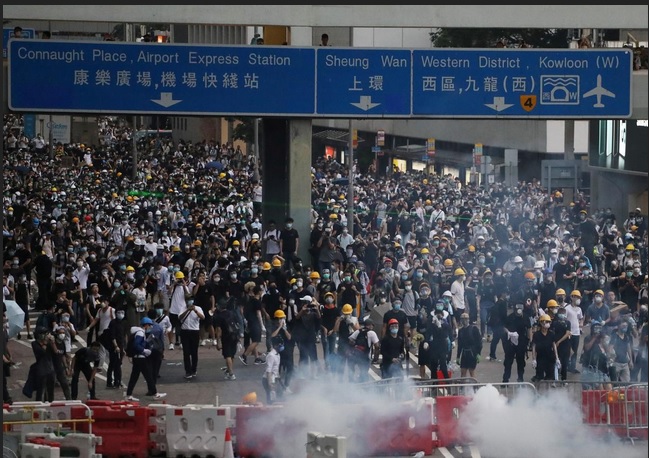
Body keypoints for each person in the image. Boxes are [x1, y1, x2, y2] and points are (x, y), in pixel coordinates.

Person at [125, 317, 166, 401]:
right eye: (150, 325)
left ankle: (129, 394)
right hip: (141, 358)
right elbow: (136, 345)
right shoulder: (140, 333)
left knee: (134, 377)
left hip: (137, 358)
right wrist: (144, 350)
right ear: (146, 325)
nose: (151, 327)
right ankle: (155, 393)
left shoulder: (137, 332)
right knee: (148, 376)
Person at [179, 297, 205, 379]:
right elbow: (179, 317)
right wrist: (187, 310)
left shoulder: (198, 308)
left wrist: (195, 311)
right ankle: (188, 371)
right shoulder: (182, 308)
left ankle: (194, 369)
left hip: (194, 331)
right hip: (185, 331)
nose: (189, 302)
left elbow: (202, 317)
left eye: (190, 300)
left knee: (194, 352)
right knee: (186, 352)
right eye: (187, 300)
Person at [580, 320, 611, 387]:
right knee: (599, 389)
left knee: (609, 388)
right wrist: (594, 337)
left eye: (599, 327)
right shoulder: (588, 338)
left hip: (602, 368)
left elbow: (607, 351)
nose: (597, 329)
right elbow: (587, 348)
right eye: (596, 327)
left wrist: (604, 341)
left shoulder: (602, 338)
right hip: (591, 368)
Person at [348, 318, 380, 382]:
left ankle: (352, 384)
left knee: (352, 371)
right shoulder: (372, 333)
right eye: (372, 325)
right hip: (365, 356)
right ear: (370, 325)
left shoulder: (358, 331)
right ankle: (363, 386)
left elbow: (350, 340)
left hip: (356, 355)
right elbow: (377, 346)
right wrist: (376, 358)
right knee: (364, 372)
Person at [102, 308, 126, 389]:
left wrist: (124, 348)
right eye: (119, 312)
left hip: (121, 346)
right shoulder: (113, 323)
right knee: (114, 365)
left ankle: (117, 381)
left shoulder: (123, 322)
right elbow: (113, 336)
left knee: (118, 364)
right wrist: (116, 346)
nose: (121, 314)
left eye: (122, 312)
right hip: (114, 347)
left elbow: (123, 336)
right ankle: (113, 382)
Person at [31, 327, 56, 402]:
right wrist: (45, 342)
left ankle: (50, 403)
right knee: (41, 390)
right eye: (44, 334)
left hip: (50, 369)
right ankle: (39, 404)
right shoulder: (35, 344)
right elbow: (42, 352)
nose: (46, 335)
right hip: (41, 370)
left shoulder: (49, 343)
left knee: (50, 390)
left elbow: (56, 352)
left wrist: (52, 342)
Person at [531, 314, 558, 382]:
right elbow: (534, 347)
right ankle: (538, 391)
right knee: (539, 377)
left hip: (550, 358)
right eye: (545, 322)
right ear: (541, 322)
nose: (547, 323)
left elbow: (554, 346)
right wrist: (534, 359)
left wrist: (557, 358)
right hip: (540, 358)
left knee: (550, 377)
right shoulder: (536, 334)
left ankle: (548, 391)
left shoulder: (551, 334)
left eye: (548, 322)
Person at [456, 313, 483, 379]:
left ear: (468, 320)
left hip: (472, 353)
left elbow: (479, 342)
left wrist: (478, 353)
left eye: (466, 319)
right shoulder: (460, 331)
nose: (464, 321)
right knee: (463, 372)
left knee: (471, 372)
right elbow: (460, 345)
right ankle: (462, 389)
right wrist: (458, 356)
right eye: (462, 319)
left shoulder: (474, 329)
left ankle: (475, 388)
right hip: (465, 353)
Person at [262, 337, 284, 404]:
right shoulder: (271, 355)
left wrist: (279, 379)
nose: (282, 347)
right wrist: (270, 383)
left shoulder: (278, 355)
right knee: (271, 398)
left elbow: (276, 369)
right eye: (280, 345)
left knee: (278, 396)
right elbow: (269, 370)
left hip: (275, 378)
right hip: (268, 379)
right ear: (275, 345)